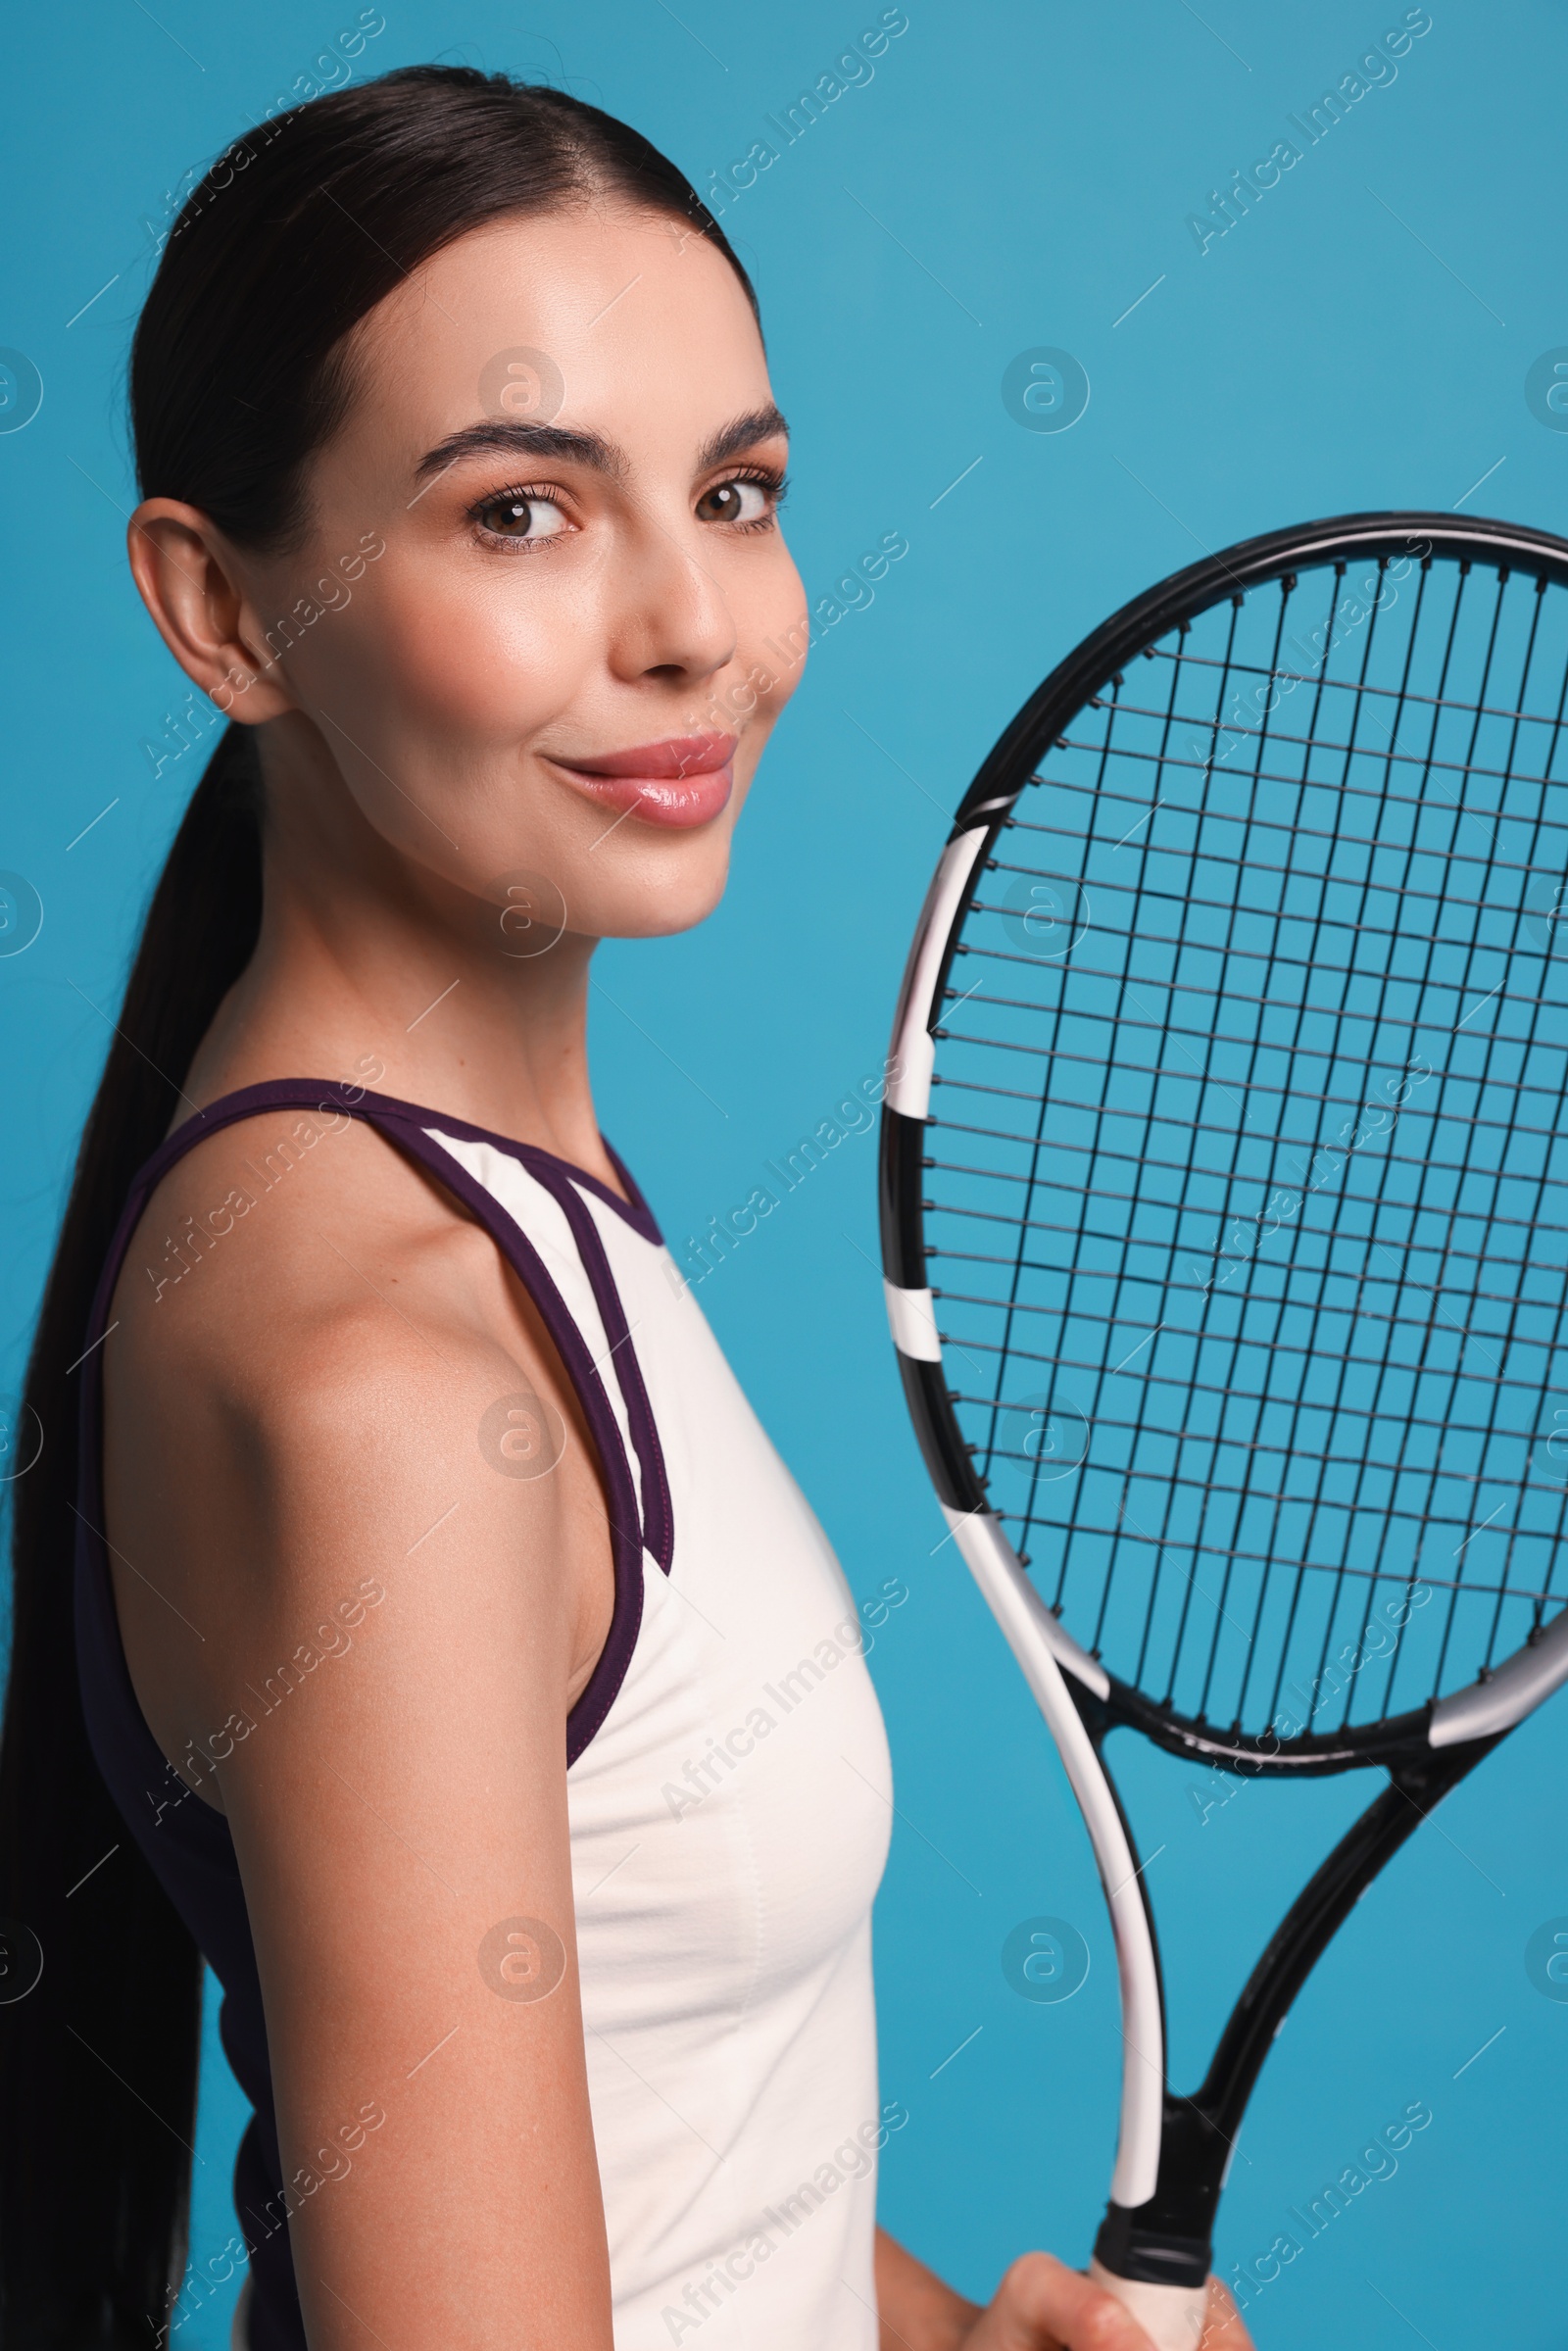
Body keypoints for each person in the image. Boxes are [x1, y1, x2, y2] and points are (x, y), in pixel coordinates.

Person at [0, 66, 1253, 2351]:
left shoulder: (490, 1217)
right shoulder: (380, 1370)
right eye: (519, 515)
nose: (696, 626)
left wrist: (941, 2340)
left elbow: (644, 2134)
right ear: (223, 613)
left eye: (737, 492)